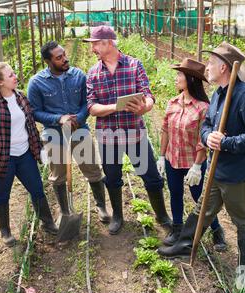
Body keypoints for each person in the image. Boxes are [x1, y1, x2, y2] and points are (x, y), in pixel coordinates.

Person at [157, 42, 245, 290]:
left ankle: (243, 268)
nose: (207, 67)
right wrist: (208, 137)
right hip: (216, 170)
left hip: (238, 174)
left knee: (243, 221)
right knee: (202, 210)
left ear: (223, 67)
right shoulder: (220, 94)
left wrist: (228, 143)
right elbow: (207, 125)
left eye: (210, 63)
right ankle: (185, 245)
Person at [84, 26, 173, 235]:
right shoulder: (93, 73)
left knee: (151, 176)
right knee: (112, 178)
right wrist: (116, 107)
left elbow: (149, 96)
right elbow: (91, 107)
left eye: (95, 43)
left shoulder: (134, 66)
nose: (93, 48)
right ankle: (117, 216)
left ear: (108, 42)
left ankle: (162, 215)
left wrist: (145, 107)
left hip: (134, 133)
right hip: (108, 137)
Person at [0, 62, 58, 247]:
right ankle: (5, 232)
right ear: (0, 81)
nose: (15, 76)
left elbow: (30, 125)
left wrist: (39, 149)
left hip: (24, 154)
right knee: (3, 194)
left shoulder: (20, 97)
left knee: (37, 189)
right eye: (10, 75)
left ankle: (48, 223)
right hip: (1, 157)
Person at [28, 41, 110, 225]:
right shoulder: (36, 82)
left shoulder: (79, 76)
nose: (65, 59)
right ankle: (65, 212)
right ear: (48, 61)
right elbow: (34, 112)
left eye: (64, 54)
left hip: (79, 130)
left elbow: (87, 103)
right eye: (59, 58)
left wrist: (78, 118)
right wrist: (59, 119)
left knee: (93, 169)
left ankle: (101, 206)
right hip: (54, 134)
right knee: (58, 175)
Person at [156, 58, 227, 252]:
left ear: (191, 80)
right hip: (173, 159)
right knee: (175, 194)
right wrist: (162, 156)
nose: (176, 78)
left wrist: (197, 165)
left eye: (180, 75)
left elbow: (202, 139)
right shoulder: (172, 103)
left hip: (192, 162)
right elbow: (165, 131)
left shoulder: (203, 108)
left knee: (200, 199)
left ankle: (216, 230)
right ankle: (177, 229)